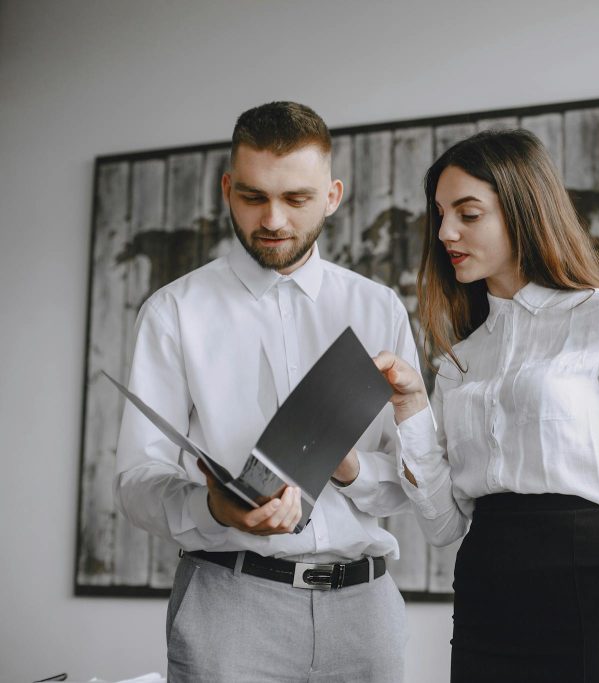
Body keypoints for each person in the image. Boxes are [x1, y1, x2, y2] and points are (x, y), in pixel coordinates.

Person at [374, 128, 599, 683]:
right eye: (440, 214)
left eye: (468, 213)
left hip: (591, 588)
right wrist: (411, 406)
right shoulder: (459, 360)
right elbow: (441, 524)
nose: (446, 232)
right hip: (487, 596)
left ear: (523, 211)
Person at [114, 101, 413, 683]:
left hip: (366, 614)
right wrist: (213, 507)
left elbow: (413, 480)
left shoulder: (379, 309)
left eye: (296, 199)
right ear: (228, 189)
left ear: (332, 195)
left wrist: (349, 468)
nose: (273, 219)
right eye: (253, 197)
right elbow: (135, 485)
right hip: (230, 605)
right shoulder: (174, 312)